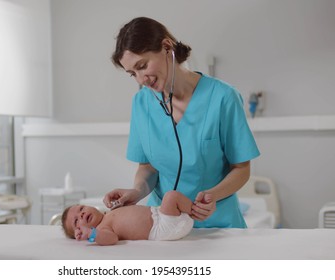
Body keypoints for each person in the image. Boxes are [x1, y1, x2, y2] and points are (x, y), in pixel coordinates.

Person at [104, 17, 260, 228]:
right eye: (133, 74)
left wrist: (212, 196)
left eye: (142, 66)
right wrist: (137, 191)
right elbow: (148, 167)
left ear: (167, 46)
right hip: (162, 224)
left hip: (216, 224)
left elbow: (241, 168)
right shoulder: (141, 103)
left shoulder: (223, 97)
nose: (141, 80)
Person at [61, 190, 194, 246]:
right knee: (171, 197)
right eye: (76, 221)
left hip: (161, 214)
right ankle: (197, 210)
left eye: (81, 209)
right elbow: (112, 239)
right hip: (162, 227)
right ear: (80, 233)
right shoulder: (102, 228)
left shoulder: (109, 213)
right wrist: (91, 234)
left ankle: (197, 209)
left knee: (173, 197)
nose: (82, 214)